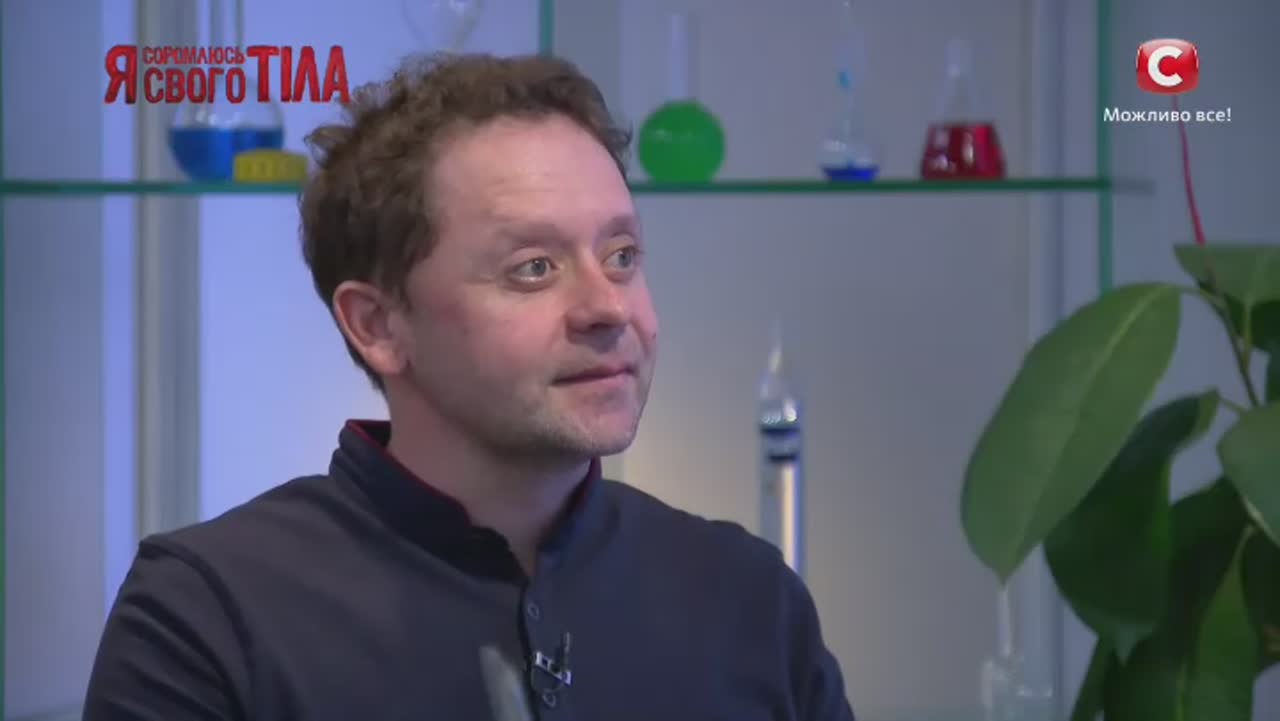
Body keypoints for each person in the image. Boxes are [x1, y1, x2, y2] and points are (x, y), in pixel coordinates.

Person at [83, 52, 856, 721]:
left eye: (621, 255)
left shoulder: (748, 598)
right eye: (534, 268)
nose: (609, 307)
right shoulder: (207, 615)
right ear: (379, 325)